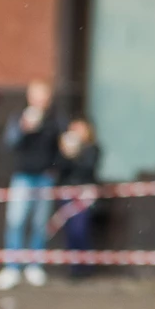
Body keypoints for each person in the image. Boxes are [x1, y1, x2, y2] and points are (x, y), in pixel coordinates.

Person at [0, 80, 61, 291]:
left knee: (40, 223)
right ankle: (12, 266)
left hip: (44, 177)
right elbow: (9, 143)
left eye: (44, 96)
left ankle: (35, 265)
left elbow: (60, 148)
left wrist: (54, 168)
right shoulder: (18, 117)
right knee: (16, 220)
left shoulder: (55, 120)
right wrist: (23, 129)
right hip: (23, 176)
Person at [55, 118, 101, 280]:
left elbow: (87, 168)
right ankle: (74, 268)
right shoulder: (64, 150)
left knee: (80, 229)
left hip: (84, 193)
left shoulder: (92, 149)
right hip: (67, 192)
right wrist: (66, 153)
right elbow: (60, 169)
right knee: (70, 232)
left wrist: (76, 153)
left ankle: (86, 266)